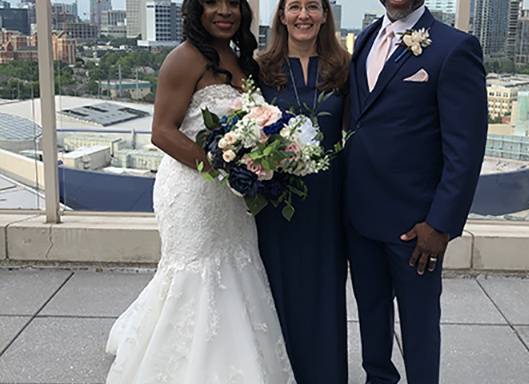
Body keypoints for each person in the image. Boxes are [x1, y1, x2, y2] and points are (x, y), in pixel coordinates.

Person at [105, 1, 294, 383]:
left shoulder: (242, 58)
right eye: (213, 2)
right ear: (196, 9)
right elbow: (162, 131)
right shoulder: (184, 58)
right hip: (193, 191)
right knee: (197, 274)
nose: (224, 11)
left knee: (236, 267)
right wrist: (222, 169)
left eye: (232, 4)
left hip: (232, 194)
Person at [345, 0, 488, 383]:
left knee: (420, 326)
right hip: (360, 217)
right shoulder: (365, 38)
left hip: (416, 226)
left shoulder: (454, 47)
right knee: (371, 317)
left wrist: (440, 224)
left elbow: (466, 149)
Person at [256, 1, 350, 383]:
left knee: (325, 289)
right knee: (278, 287)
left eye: (313, 6)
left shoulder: (344, 67)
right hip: (278, 201)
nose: (303, 15)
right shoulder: (261, 68)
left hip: (329, 198)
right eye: (294, 6)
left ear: (326, 15)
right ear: (281, 15)